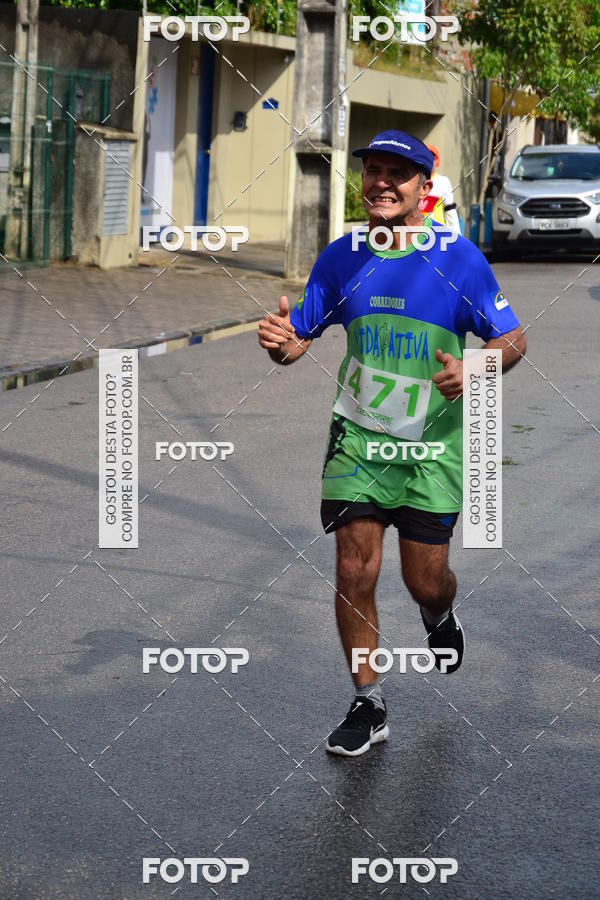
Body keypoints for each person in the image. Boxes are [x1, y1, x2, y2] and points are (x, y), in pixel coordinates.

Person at [258, 129, 526, 757]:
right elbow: (299, 339)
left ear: (423, 190)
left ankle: (439, 617)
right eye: (372, 170)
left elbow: (511, 339)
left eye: (395, 173)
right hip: (359, 443)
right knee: (354, 566)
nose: (380, 182)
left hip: (431, 449)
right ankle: (367, 702)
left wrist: (477, 369)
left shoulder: (458, 259)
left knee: (423, 580)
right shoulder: (341, 256)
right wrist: (281, 342)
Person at [418, 143, 460, 232]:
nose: (427, 160)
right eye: (424, 156)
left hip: (437, 233)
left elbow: (450, 210)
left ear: (436, 160)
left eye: (431, 157)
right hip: (413, 233)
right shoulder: (412, 181)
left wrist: (456, 236)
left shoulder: (443, 182)